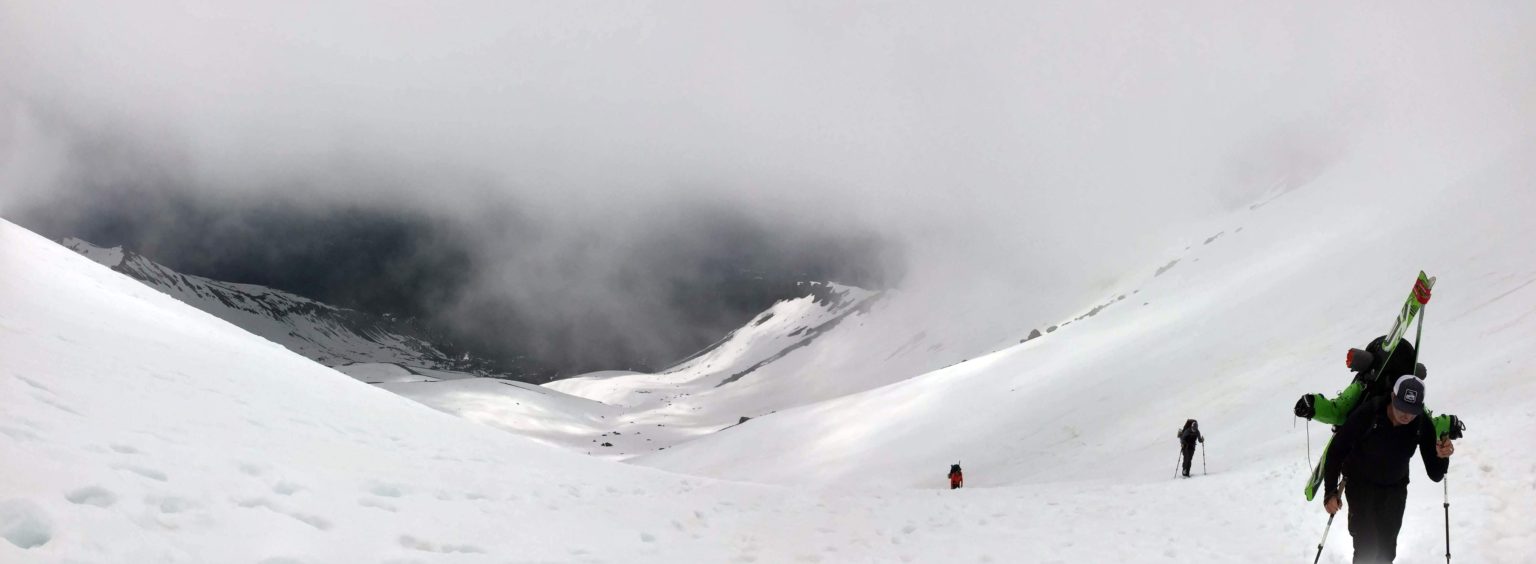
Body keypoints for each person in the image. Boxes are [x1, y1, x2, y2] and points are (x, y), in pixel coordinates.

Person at [1322, 376, 1454, 563]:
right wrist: (1330, 492)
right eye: (1402, 407)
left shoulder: (1421, 423)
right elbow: (1337, 451)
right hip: (1361, 486)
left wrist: (1442, 456)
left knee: (1387, 550)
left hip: (1395, 490)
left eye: (1412, 410)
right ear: (1393, 396)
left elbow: (1435, 474)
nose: (1406, 415)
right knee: (1366, 547)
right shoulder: (1369, 413)